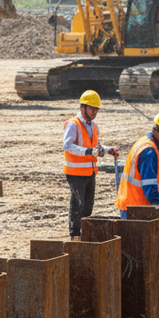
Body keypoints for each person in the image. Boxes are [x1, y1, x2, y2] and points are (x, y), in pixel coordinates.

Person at [62, 90, 118, 241]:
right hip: (75, 172)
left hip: (89, 172)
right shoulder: (73, 124)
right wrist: (88, 151)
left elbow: (96, 147)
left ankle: (83, 233)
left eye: (96, 110)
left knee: (87, 207)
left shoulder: (93, 127)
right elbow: (67, 145)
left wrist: (108, 150)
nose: (95, 112)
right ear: (83, 107)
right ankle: (75, 235)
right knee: (77, 205)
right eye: (92, 109)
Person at [115, 109, 159, 218]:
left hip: (133, 205)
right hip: (136, 209)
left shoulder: (147, 143)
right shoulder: (149, 151)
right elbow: (150, 188)